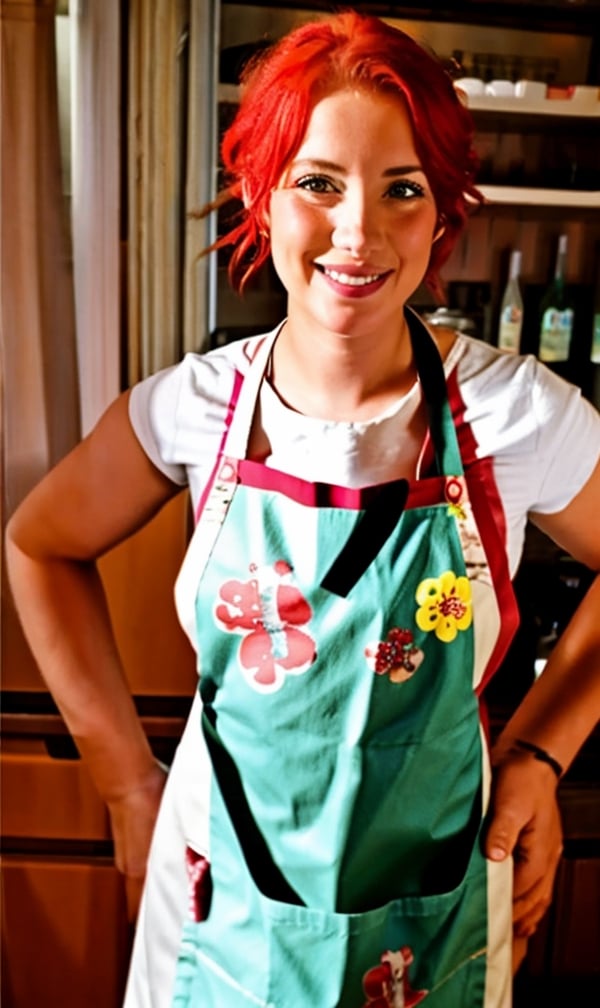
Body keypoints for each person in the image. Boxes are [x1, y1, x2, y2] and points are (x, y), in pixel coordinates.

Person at [6, 11, 600, 1008]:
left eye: (401, 189)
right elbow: (40, 544)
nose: (358, 232)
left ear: (441, 214)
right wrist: (124, 781)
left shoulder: (513, 414)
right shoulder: (194, 409)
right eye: (317, 183)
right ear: (262, 196)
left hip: (437, 899)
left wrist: (540, 754)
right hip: (216, 897)